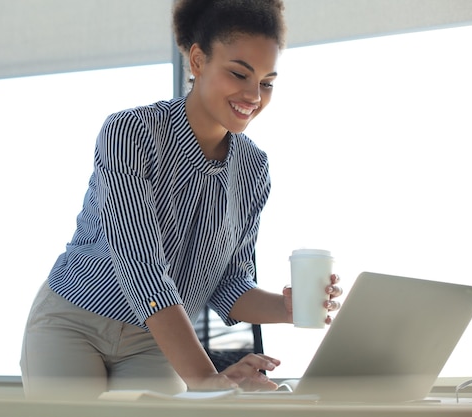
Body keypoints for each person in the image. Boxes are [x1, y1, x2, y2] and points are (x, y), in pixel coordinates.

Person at [20, 0, 342, 400]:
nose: (253, 95)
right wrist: (207, 380)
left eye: (267, 82)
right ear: (198, 60)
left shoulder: (253, 169)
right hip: (73, 322)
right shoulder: (131, 132)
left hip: (153, 342)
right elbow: (142, 267)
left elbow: (226, 284)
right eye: (239, 73)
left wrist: (286, 309)